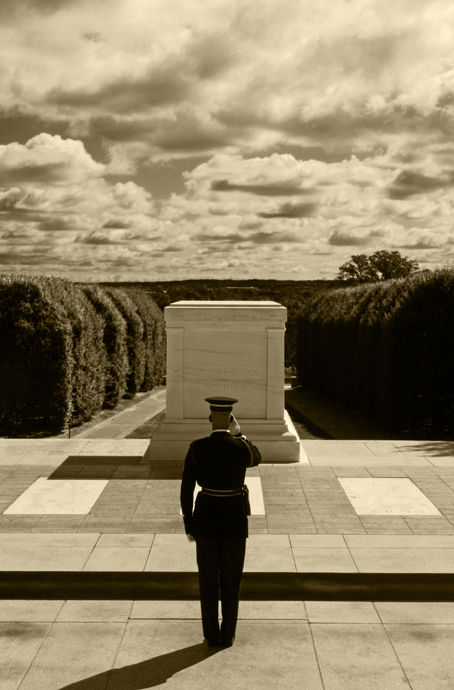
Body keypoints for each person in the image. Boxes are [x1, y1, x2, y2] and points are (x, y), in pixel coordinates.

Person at [180, 396, 262, 648]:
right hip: (234, 519)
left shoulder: (197, 448)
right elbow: (256, 457)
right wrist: (240, 434)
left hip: (205, 518)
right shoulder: (241, 448)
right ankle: (228, 635)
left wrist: (189, 523)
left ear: (209, 419)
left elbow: (186, 489)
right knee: (231, 579)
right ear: (230, 420)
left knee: (207, 580)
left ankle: (210, 635)